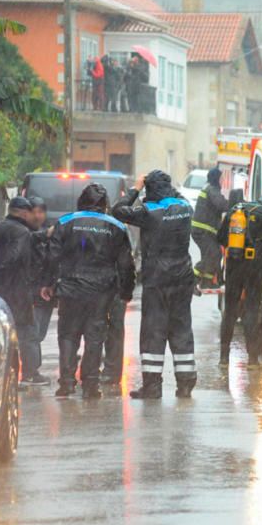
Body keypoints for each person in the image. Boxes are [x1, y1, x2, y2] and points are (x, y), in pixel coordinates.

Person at [44, 184, 135, 398]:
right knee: (95, 337)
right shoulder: (116, 227)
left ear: (81, 201)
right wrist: (126, 291)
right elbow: (126, 264)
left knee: (68, 335)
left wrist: (47, 283)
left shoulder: (66, 222)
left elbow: (52, 256)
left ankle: (66, 383)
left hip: (70, 289)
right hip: (101, 292)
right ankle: (91, 385)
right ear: (105, 205)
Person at [112, 170, 196, 399]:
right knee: (181, 329)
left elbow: (118, 211)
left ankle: (152, 386)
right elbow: (178, 196)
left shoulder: (149, 212)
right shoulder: (185, 208)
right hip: (182, 277)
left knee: (153, 332)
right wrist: (166, 186)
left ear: (150, 190)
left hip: (157, 279)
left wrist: (136, 188)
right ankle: (186, 384)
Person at [0, 197, 40, 384]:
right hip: (17, 290)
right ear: (24, 213)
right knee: (27, 333)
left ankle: (0, 375)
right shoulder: (22, 232)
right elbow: (15, 256)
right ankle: (30, 374)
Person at [216, 193, 262, 365]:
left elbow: (220, 238)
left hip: (234, 266)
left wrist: (236, 250)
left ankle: (224, 357)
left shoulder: (236, 210)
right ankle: (253, 359)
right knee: (252, 311)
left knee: (230, 311)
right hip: (254, 267)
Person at [26, 196, 53, 387]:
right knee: (32, 333)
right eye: (34, 212)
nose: (38, 216)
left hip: (46, 293)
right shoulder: (24, 235)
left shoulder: (48, 234)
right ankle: (30, 371)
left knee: (39, 333)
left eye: (41, 212)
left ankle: (32, 369)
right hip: (29, 293)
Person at [191, 167, 229, 289]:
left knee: (215, 254)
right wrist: (235, 202)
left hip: (205, 231)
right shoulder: (212, 190)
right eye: (221, 178)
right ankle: (192, 280)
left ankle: (207, 281)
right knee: (212, 255)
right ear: (216, 178)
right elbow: (221, 204)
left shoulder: (210, 188)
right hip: (202, 231)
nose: (222, 180)